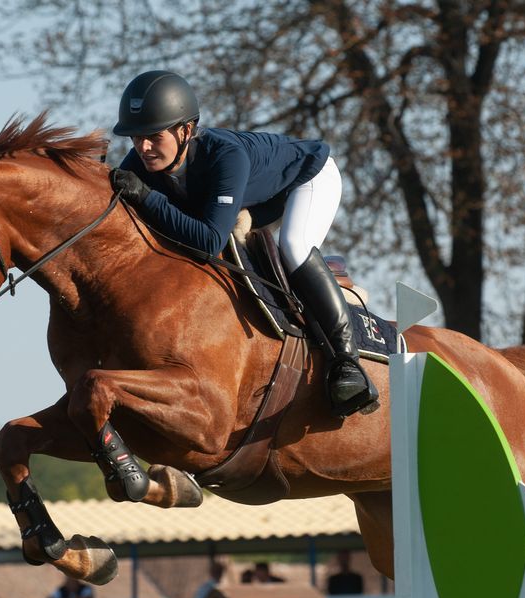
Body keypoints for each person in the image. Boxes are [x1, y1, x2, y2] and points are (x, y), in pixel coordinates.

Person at [109, 70, 379, 418]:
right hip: (255, 196)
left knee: (293, 246)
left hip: (310, 178)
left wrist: (147, 197)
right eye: (135, 138)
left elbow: (208, 241)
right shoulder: (140, 162)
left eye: (154, 137)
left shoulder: (225, 156)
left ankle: (347, 362)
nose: (143, 148)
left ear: (185, 130)